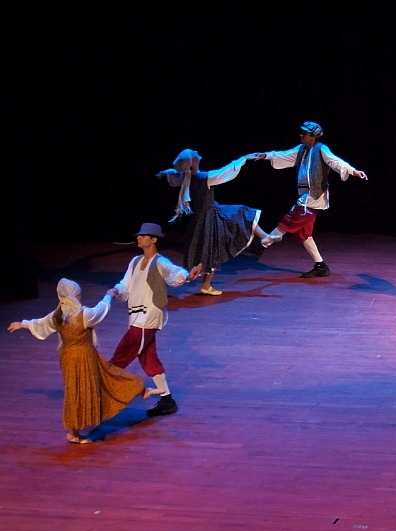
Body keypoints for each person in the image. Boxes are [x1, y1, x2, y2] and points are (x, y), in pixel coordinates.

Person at [7, 279, 162, 444]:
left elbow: (40, 323)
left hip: (71, 356)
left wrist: (22, 324)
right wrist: (108, 295)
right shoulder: (82, 315)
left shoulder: (58, 315)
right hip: (82, 356)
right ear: (73, 296)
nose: (80, 296)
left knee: (104, 376)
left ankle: (141, 390)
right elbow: (101, 310)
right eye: (78, 294)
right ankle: (73, 433)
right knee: (78, 391)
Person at [249, 121, 368, 278]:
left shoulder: (321, 149)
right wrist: (265, 155)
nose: (301, 135)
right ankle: (320, 266)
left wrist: (353, 171)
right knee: (304, 234)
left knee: (290, 219)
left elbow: (335, 161)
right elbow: (283, 155)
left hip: (314, 196)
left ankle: (262, 245)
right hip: (305, 195)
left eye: (304, 133)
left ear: (313, 136)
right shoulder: (301, 149)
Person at [108, 223, 203, 417]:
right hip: (136, 316)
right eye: (139, 235)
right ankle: (167, 400)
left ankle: (103, 389)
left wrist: (187, 277)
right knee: (148, 359)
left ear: (153, 240)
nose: (138, 238)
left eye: (143, 236)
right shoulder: (135, 261)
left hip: (148, 318)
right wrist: (117, 290)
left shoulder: (160, 262)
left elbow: (174, 273)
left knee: (120, 357)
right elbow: (126, 284)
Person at [158, 149, 269, 295]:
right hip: (208, 217)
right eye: (193, 154)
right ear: (192, 162)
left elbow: (173, 175)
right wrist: (244, 159)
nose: (196, 152)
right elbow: (225, 172)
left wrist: (165, 173)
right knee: (212, 249)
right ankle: (203, 284)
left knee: (239, 214)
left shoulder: (186, 177)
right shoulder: (204, 177)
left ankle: (264, 236)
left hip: (203, 216)